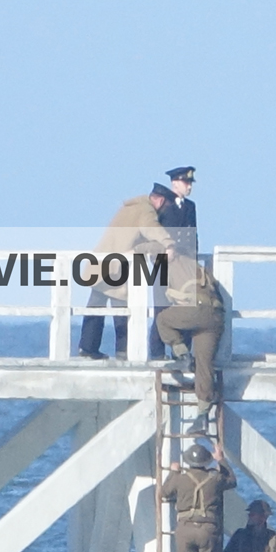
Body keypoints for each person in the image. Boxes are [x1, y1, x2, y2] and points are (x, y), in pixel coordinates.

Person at [78, 185, 175, 360]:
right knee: (122, 308)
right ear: (160, 200)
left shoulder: (128, 207)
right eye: (165, 206)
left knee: (95, 305)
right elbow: (152, 228)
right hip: (117, 266)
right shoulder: (145, 211)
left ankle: (87, 348)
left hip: (101, 262)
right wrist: (169, 243)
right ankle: (124, 352)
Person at [155, 267, 226, 429]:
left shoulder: (179, 268)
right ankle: (203, 415)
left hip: (198, 310)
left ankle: (183, 354)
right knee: (205, 365)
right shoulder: (204, 272)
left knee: (163, 319)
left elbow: (180, 297)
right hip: (216, 316)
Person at [149, 166, 200, 360]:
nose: (189, 187)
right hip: (163, 263)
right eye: (186, 183)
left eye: (190, 183)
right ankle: (157, 353)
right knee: (161, 308)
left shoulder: (190, 207)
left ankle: (182, 353)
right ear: (175, 182)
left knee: (185, 305)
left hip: (183, 265)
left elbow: (193, 235)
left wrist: (192, 260)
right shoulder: (161, 203)